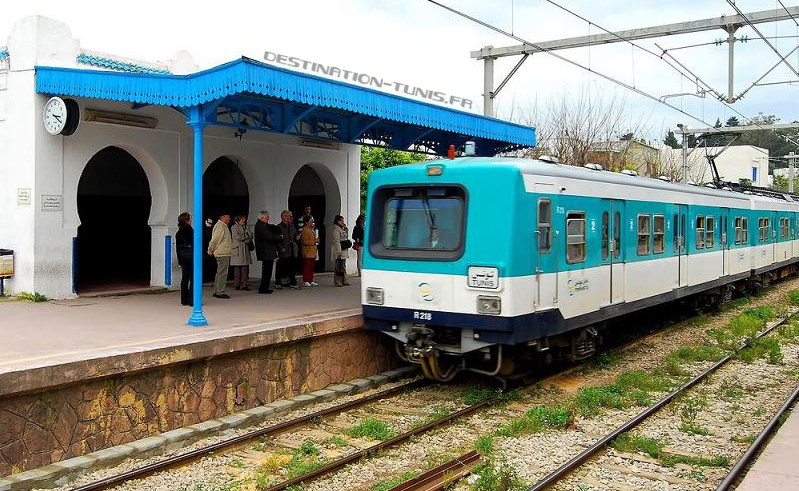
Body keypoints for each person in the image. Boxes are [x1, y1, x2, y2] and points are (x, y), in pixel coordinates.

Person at [254, 211, 281, 294]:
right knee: (267, 271)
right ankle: (263, 288)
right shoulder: (261, 226)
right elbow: (269, 236)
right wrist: (280, 236)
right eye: (267, 217)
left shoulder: (262, 225)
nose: (269, 219)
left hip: (266, 251)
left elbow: (271, 228)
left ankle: (264, 287)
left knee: (267, 270)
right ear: (262, 218)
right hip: (266, 251)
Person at [207, 213, 232, 299]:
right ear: (223, 217)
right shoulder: (220, 226)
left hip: (223, 252)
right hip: (222, 253)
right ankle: (220, 292)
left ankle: (217, 291)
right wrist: (210, 249)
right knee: (222, 273)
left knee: (220, 272)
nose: (230, 218)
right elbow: (215, 239)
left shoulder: (223, 225)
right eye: (228, 217)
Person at [276, 210, 300, 289]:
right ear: (283, 217)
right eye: (288, 216)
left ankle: (292, 281)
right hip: (283, 249)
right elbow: (277, 239)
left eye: (290, 216)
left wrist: (297, 237)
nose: (290, 217)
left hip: (292, 249)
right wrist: (281, 248)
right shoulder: (278, 227)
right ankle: (278, 282)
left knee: (292, 265)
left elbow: (295, 235)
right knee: (281, 265)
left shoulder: (292, 226)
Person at [175, 212, 193, 306]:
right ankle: (192, 300)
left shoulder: (178, 233)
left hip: (183, 257)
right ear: (187, 221)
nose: (191, 221)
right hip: (191, 257)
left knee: (185, 278)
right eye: (190, 219)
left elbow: (177, 248)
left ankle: (184, 300)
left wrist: (179, 260)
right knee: (193, 278)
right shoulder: (191, 231)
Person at [230, 215, 253, 291]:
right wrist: (246, 236)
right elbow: (238, 237)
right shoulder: (234, 227)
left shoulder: (246, 227)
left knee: (245, 268)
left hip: (245, 248)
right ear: (237, 220)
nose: (244, 221)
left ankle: (244, 284)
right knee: (237, 268)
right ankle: (237, 284)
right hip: (238, 249)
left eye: (244, 220)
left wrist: (246, 238)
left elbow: (250, 236)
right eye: (242, 220)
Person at [331, 214, 350, 287]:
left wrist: (346, 229)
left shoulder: (342, 228)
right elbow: (336, 241)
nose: (343, 222)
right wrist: (339, 251)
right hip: (339, 249)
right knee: (338, 266)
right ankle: (337, 281)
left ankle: (344, 280)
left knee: (343, 265)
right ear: (337, 221)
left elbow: (345, 237)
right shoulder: (336, 229)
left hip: (344, 249)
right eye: (341, 220)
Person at [300, 217, 319, 287]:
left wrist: (316, 241)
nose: (312, 223)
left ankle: (311, 280)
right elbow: (305, 241)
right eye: (310, 221)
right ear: (306, 222)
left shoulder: (312, 230)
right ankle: (306, 280)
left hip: (313, 251)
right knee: (307, 267)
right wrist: (315, 241)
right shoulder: (305, 230)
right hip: (307, 252)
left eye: (312, 221)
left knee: (311, 267)